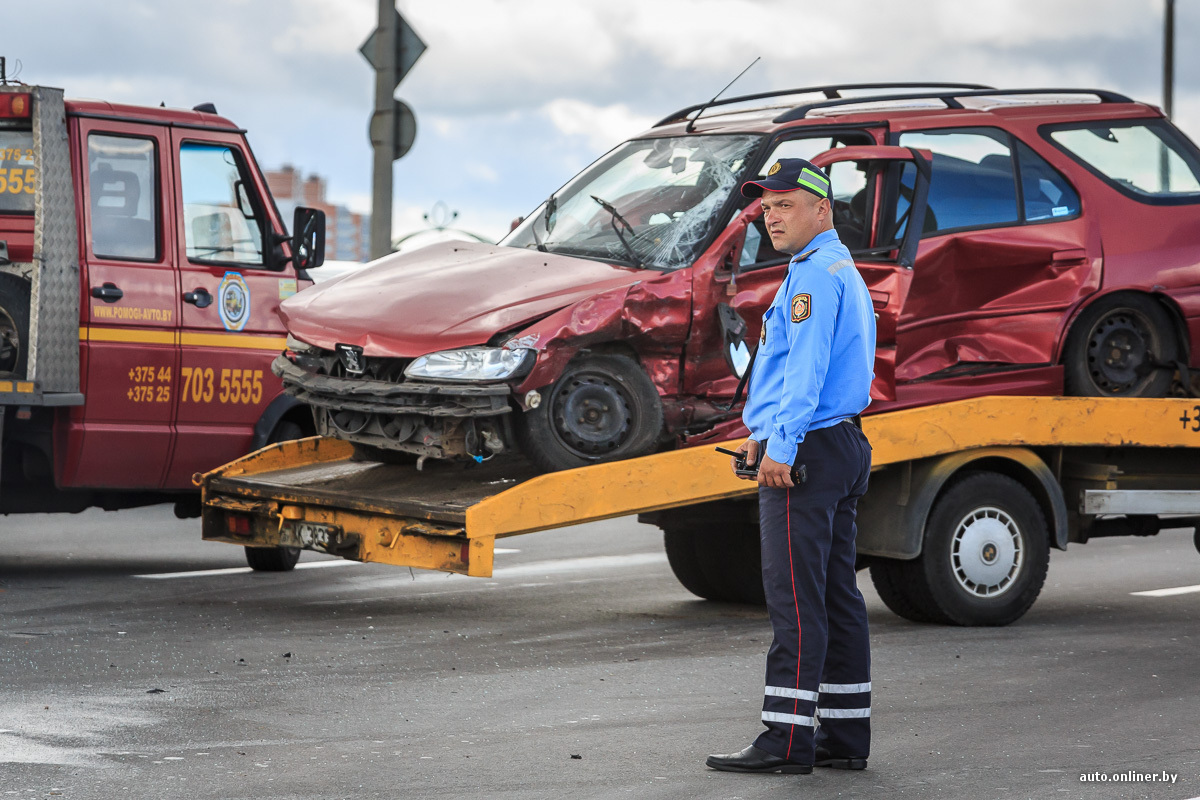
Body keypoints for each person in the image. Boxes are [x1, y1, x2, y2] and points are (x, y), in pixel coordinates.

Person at [706, 157, 876, 775]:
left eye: (785, 205)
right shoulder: (839, 268)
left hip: (808, 451)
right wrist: (764, 433)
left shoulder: (809, 279)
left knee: (795, 601)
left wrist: (781, 445)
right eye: (767, 206)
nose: (771, 216)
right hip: (841, 443)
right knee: (834, 595)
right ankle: (844, 734)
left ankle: (785, 740)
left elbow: (805, 374)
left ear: (821, 209)